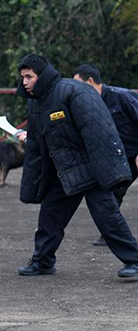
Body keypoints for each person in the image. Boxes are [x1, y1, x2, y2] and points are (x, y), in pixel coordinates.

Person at [15, 53, 138, 278]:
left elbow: (98, 131)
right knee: (49, 218)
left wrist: (109, 170)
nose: (24, 82)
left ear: (41, 76)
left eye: (29, 77)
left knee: (107, 217)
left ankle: (135, 260)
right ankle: (43, 261)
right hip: (64, 171)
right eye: (23, 77)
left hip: (90, 170)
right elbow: (37, 141)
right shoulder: (35, 102)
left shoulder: (74, 91)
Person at [73, 64, 138, 246]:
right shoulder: (88, 103)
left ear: (90, 81)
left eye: (79, 84)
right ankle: (111, 235)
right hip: (117, 158)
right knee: (111, 194)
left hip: (135, 154)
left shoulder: (122, 97)